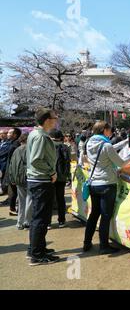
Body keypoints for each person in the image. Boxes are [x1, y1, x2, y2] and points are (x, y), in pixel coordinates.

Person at [83, 121, 130, 255]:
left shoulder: (89, 143)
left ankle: (87, 242)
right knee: (105, 216)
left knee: (94, 214)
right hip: (107, 184)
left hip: (94, 183)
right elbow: (121, 163)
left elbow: (109, 148)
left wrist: (124, 142)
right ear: (104, 130)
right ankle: (104, 246)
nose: (111, 132)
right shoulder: (106, 145)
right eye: (109, 129)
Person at [26, 108, 60, 265]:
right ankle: (37, 254)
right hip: (41, 180)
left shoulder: (36, 134)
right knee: (41, 218)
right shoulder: (40, 137)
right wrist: (52, 172)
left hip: (37, 180)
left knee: (38, 217)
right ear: (47, 120)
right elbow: (36, 160)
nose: (56, 119)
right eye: (54, 117)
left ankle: (36, 248)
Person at [8, 133, 32, 230]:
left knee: (21, 201)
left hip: (18, 178)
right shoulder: (28, 149)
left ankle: (20, 222)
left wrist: (12, 178)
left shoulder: (16, 150)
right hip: (27, 177)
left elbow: (11, 165)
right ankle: (27, 221)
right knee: (29, 199)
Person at [49, 129, 71, 229]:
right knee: (60, 198)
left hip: (49, 176)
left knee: (49, 199)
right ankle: (61, 220)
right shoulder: (65, 147)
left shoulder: (47, 146)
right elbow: (68, 161)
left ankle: (48, 222)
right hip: (61, 176)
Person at [1, 128, 22, 215]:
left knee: (15, 191)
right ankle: (12, 208)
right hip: (10, 170)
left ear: (15, 135)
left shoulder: (15, 144)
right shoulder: (11, 143)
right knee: (13, 191)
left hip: (14, 171)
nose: (8, 134)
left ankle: (14, 208)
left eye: (10, 133)